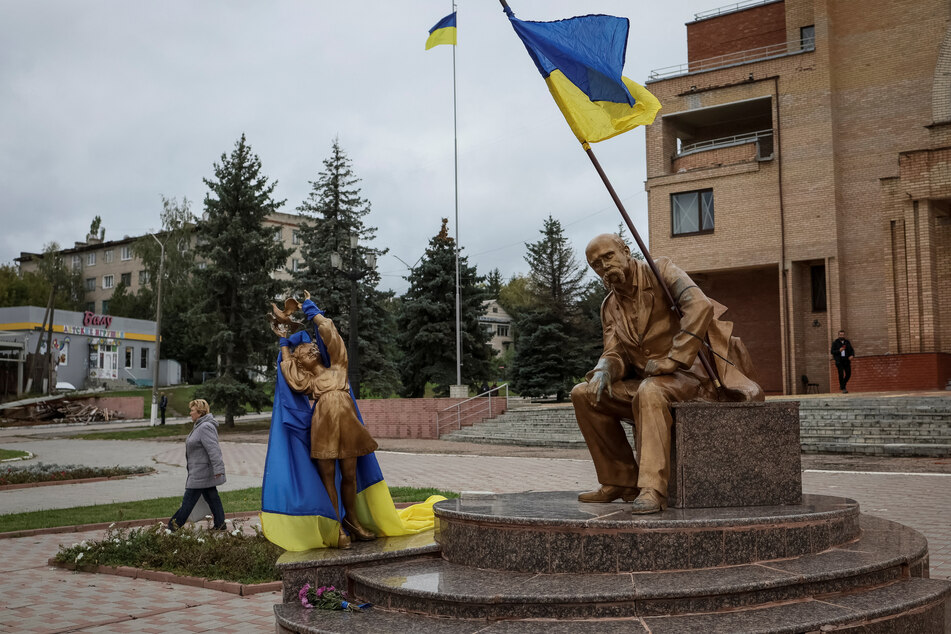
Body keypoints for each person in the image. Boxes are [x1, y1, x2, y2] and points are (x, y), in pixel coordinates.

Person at [571, 234, 764, 514]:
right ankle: (620, 480)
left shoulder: (661, 271)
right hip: (650, 381)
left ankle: (652, 489)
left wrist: (673, 358)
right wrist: (604, 368)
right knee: (584, 394)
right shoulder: (609, 306)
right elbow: (616, 353)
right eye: (596, 264)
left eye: (608, 256)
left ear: (625, 251)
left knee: (651, 390)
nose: (603, 266)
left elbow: (700, 306)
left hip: (691, 378)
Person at [277, 297, 378, 547]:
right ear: (302, 364)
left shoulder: (338, 367)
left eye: (312, 347)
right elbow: (289, 373)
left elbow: (332, 337)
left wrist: (313, 311)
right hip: (323, 426)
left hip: (348, 424)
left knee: (350, 476)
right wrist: (284, 343)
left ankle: (353, 521)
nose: (311, 349)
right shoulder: (308, 382)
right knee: (328, 478)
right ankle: (336, 528)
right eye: (305, 352)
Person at [168, 399, 226, 530]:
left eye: (192, 410)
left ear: (200, 413)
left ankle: (172, 527)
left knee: (188, 502)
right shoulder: (199, 426)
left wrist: (218, 469)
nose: (190, 413)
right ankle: (220, 524)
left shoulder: (205, 427)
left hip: (201, 473)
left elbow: (214, 450)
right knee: (212, 498)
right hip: (200, 471)